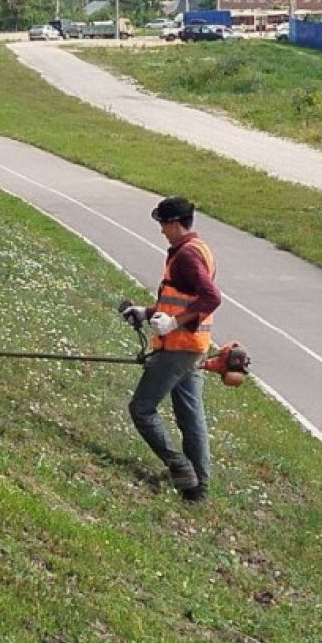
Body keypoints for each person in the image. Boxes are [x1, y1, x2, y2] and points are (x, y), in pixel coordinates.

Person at [121, 196, 222, 503]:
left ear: (175, 224)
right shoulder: (198, 247)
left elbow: (211, 298)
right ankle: (197, 491)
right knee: (191, 417)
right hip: (194, 346)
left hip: (178, 348)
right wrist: (146, 312)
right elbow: (182, 299)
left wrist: (173, 324)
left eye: (163, 225)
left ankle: (179, 467)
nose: (161, 231)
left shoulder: (187, 256)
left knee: (141, 408)